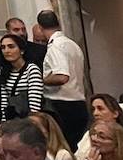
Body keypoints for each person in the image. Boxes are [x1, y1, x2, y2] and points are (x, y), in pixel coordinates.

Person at [36, 10, 90, 148]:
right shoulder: (73, 45)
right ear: (58, 23)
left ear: (40, 28)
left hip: (62, 107)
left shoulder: (56, 46)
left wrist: (40, 79)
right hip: (79, 103)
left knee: (63, 149)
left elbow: (62, 77)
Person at [0, 31, 46, 122]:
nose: (6, 51)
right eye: (3, 47)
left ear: (22, 50)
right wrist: (4, 122)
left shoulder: (32, 69)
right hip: (13, 118)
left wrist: (31, 123)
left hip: (29, 119)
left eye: (11, 46)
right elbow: (4, 101)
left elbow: (35, 104)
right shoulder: (4, 70)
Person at [76, 94, 123, 160]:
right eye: (93, 109)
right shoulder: (87, 135)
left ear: (115, 114)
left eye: (100, 109)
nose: (95, 113)